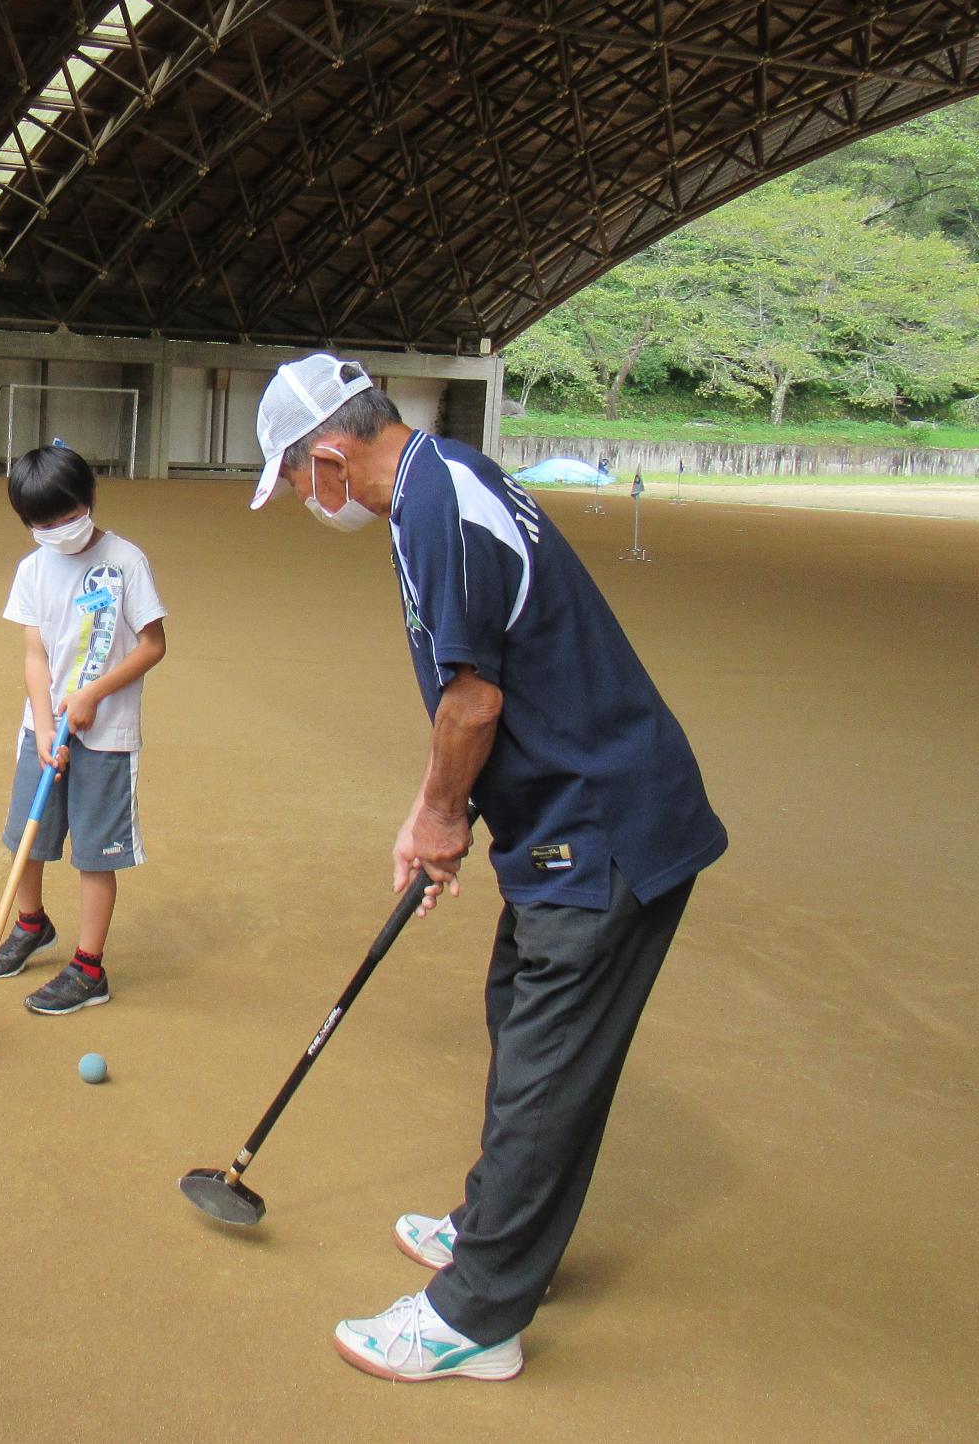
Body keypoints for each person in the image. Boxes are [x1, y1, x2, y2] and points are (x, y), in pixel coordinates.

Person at [247, 355, 726, 1383]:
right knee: (519, 1019)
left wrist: (434, 815)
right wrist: (451, 811)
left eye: (290, 479)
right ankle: (490, 1228)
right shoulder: (441, 477)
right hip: (560, 814)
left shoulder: (433, 512)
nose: (297, 500)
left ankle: (478, 1313)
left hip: (601, 822)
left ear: (327, 457)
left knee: (544, 1070)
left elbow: (472, 701)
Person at [0, 443, 167, 1014]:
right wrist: (42, 725)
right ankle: (33, 925)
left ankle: (89, 968)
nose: (58, 530)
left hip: (106, 735)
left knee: (95, 853)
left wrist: (93, 694)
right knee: (28, 838)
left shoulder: (126, 561)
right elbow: (35, 654)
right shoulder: (32, 570)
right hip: (43, 729)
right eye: (43, 523)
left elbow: (153, 645)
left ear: (89, 500)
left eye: (67, 516)